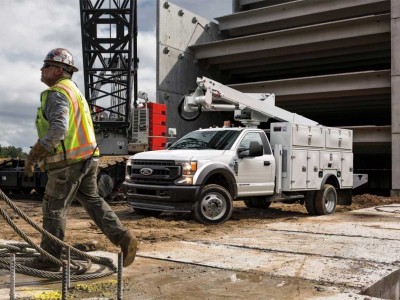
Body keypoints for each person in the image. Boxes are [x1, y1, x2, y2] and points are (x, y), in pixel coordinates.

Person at [24, 48, 137, 271]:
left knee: (53, 207)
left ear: (58, 70)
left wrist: (34, 155)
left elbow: (59, 129)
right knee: (92, 201)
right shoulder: (74, 91)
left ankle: (50, 258)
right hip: (88, 158)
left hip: (68, 162)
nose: (41, 69)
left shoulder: (56, 93)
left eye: (46, 66)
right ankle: (123, 238)